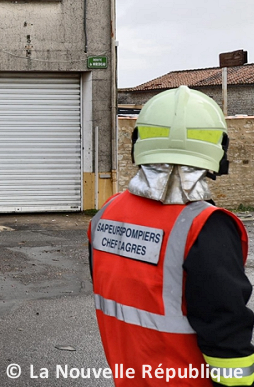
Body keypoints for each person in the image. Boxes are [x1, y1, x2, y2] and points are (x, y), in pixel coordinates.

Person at [89, 86, 254, 386]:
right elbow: (227, 336)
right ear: (219, 148)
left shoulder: (106, 214)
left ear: (138, 143)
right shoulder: (206, 226)